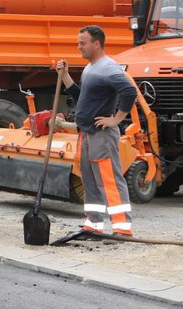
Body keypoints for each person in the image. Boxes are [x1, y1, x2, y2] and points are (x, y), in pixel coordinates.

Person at [54, 24, 139, 236]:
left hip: (101, 135)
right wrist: (64, 76)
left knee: (109, 179)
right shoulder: (90, 68)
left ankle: (122, 227)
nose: (78, 47)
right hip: (87, 133)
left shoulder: (108, 67)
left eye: (82, 43)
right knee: (89, 179)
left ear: (96, 43)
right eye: (78, 43)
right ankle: (94, 224)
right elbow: (81, 96)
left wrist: (116, 119)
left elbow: (129, 91)